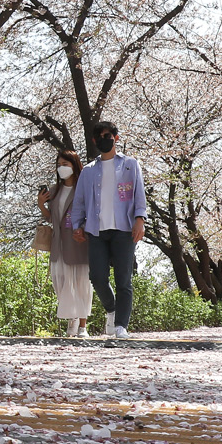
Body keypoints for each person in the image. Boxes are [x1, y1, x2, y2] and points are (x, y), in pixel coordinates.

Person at [66, 120, 147, 337]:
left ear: (116, 138)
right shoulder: (89, 171)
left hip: (124, 229)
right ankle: (111, 309)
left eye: (109, 135)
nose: (105, 139)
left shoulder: (130, 165)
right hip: (96, 231)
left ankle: (121, 325)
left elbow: (139, 195)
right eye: (100, 136)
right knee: (97, 277)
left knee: (124, 280)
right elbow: (79, 202)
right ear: (94, 141)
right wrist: (77, 226)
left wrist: (140, 219)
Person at [37, 148, 92, 336]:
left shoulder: (83, 188)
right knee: (60, 283)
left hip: (78, 242)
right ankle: (72, 318)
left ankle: (82, 326)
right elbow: (52, 218)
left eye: (65, 164)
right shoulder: (55, 190)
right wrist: (41, 205)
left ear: (74, 165)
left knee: (80, 283)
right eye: (59, 165)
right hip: (58, 245)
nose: (62, 168)